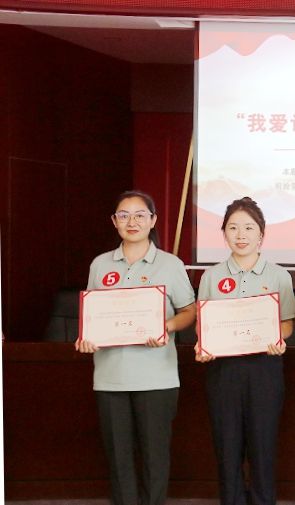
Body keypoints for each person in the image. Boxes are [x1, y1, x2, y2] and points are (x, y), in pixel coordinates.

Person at [76, 190, 196, 505]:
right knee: (118, 459)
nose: (132, 222)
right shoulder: (100, 264)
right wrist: (86, 337)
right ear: (114, 221)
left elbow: (189, 311)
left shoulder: (170, 264)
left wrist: (166, 326)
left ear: (153, 220)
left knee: (155, 456)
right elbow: (93, 316)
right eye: (124, 215)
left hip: (157, 378)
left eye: (140, 215)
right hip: (110, 378)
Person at [194, 196, 295, 505]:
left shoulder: (278, 276)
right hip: (223, 371)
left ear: (261, 234)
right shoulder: (211, 276)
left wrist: (277, 338)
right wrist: (203, 344)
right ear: (224, 233)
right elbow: (203, 324)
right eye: (233, 228)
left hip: (264, 368)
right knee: (227, 448)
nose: (241, 235)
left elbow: (287, 324)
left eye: (249, 228)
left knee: (263, 447)